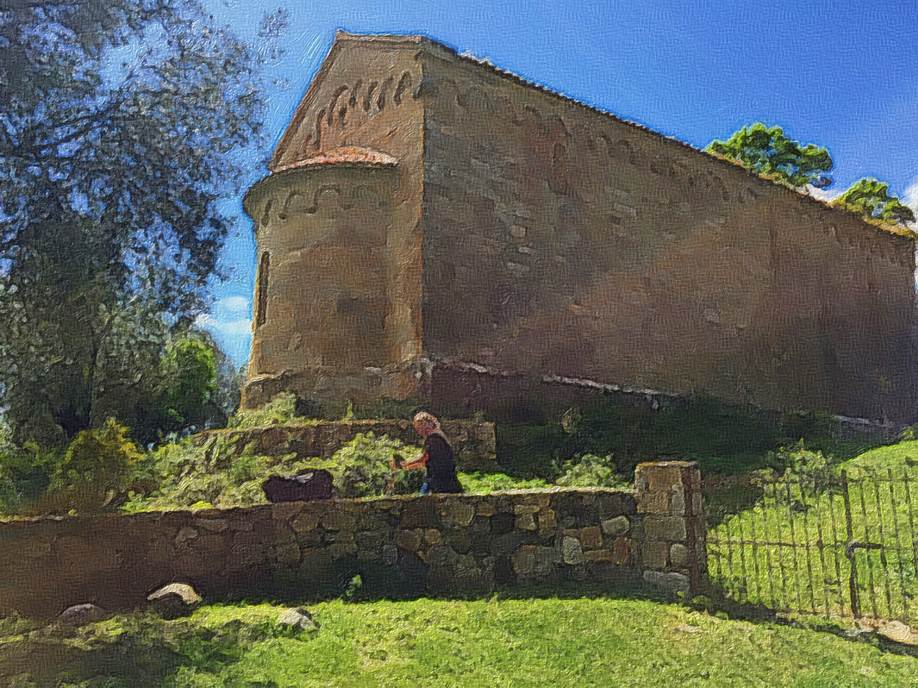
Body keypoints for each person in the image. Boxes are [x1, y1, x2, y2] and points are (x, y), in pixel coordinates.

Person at [392, 412, 464, 494]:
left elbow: (424, 458)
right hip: (442, 479)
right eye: (417, 428)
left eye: (420, 427)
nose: (419, 431)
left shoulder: (434, 439)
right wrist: (407, 465)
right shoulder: (437, 437)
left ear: (428, 425)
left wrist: (404, 464)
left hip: (440, 481)